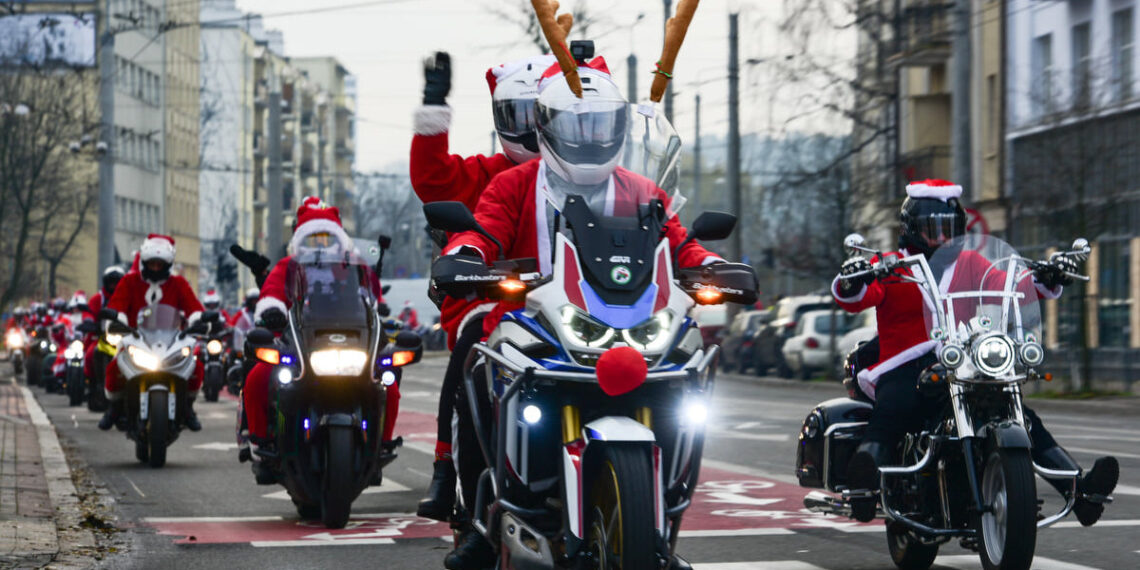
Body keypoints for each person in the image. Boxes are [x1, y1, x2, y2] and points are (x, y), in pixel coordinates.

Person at [437, 59, 723, 570]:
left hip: (629, 325)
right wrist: (468, 254)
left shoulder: (641, 190)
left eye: (599, 124)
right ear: (546, 126)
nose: (588, 137)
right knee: (477, 371)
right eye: (576, 124)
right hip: (536, 320)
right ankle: (478, 516)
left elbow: (680, 243)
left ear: (617, 127)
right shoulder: (516, 183)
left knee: (688, 378)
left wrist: (712, 265)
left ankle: (658, 527)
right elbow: (483, 228)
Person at [834, 179, 1119, 526]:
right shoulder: (889, 264)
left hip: (966, 360)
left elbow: (1010, 285)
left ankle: (1081, 492)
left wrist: (1047, 275)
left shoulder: (971, 262)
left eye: (947, 228)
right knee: (894, 407)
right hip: (907, 362)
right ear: (911, 228)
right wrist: (853, 279)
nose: (940, 237)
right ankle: (864, 484)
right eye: (930, 228)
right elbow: (858, 296)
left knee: (1021, 415)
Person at [410, 50, 557, 522]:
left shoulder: (594, 180)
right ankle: (449, 469)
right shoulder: (488, 175)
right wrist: (434, 105)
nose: (533, 128)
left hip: (574, 308)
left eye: (544, 115)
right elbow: (433, 179)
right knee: (470, 354)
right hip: (494, 303)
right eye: (521, 116)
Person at [240, 197, 395, 480]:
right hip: (299, 339)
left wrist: (376, 308)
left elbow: (370, 295)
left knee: (387, 379)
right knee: (258, 377)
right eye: (314, 238)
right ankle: (259, 442)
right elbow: (272, 293)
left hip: (351, 338)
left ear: (338, 239)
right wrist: (272, 311)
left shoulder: (353, 265)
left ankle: (382, 442)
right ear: (301, 240)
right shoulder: (288, 265)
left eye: (326, 238)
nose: (321, 245)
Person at [98, 234, 212, 432]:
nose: (156, 268)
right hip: (136, 338)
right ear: (144, 262)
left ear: (168, 264)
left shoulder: (179, 284)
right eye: (152, 264)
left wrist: (199, 320)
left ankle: (187, 406)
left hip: (171, 340)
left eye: (160, 264)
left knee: (196, 366)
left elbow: (193, 307)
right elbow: (117, 305)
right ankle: (115, 407)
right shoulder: (129, 281)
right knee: (114, 366)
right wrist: (116, 322)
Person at [85, 267, 125, 379]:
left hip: (125, 337)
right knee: (90, 354)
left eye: (116, 283)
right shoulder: (98, 298)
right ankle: (92, 382)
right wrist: (89, 322)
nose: (113, 286)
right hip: (101, 337)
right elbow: (89, 312)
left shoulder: (126, 297)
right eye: (111, 283)